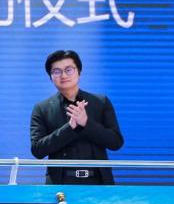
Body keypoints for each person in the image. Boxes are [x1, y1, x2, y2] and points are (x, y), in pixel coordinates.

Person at [30, 50, 124, 185]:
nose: (63, 75)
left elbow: (116, 142)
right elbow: (37, 150)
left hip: (99, 182)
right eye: (56, 71)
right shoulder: (42, 108)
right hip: (60, 184)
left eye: (69, 70)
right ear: (50, 77)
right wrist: (69, 128)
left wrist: (87, 123)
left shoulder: (101, 102)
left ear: (79, 71)